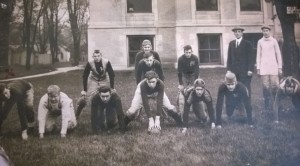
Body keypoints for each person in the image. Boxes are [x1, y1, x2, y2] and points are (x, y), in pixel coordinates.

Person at [76, 49, 115, 118]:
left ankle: (108, 115)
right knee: (85, 98)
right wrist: (85, 90)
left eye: (98, 56)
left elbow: (112, 74)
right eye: (95, 56)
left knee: (107, 96)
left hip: (104, 79)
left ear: (101, 56)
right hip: (93, 80)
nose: (97, 58)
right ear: (93, 57)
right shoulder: (90, 63)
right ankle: (76, 115)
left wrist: (112, 87)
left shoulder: (106, 62)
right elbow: (85, 76)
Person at [256, 25, 282, 110]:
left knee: (275, 86)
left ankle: (277, 103)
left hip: (273, 67)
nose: (265, 32)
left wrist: (279, 67)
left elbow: (278, 54)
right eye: (263, 31)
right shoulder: (260, 41)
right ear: (262, 32)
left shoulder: (274, 41)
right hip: (264, 68)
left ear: (269, 31)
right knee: (265, 86)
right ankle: (266, 103)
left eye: (267, 30)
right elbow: (258, 55)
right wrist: (258, 68)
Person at [227, 27, 254, 99]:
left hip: (245, 71)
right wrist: (228, 69)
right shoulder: (231, 43)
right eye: (235, 32)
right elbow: (229, 57)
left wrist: (250, 69)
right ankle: (238, 103)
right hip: (234, 71)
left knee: (245, 87)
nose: (237, 33)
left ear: (242, 33)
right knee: (235, 86)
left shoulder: (247, 43)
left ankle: (247, 103)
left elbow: (251, 58)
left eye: (239, 31)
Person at [177, 45, 200, 116]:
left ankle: (197, 107)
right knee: (183, 90)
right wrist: (181, 83)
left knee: (194, 89)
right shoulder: (180, 59)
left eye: (189, 52)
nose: (188, 54)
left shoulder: (195, 58)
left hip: (193, 74)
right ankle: (181, 105)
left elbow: (197, 70)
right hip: (184, 74)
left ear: (192, 51)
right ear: (184, 52)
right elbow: (179, 72)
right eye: (186, 52)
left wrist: (195, 81)